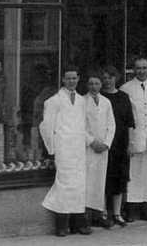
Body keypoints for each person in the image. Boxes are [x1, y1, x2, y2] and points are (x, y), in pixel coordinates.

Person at [39, 66, 93, 237]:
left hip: (78, 148)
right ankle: (61, 225)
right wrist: (52, 149)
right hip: (63, 148)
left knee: (79, 185)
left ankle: (79, 223)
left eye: (74, 78)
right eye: (68, 78)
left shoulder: (81, 100)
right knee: (64, 184)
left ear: (78, 79)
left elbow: (83, 126)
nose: (71, 81)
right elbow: (46, 127)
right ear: (62, 80)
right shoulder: (54, 101)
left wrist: (89, 141)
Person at [119, 57, 147, 222]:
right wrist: (127, 141)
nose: (142, 71)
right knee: (133, 174)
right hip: (135, 137)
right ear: (133, 70)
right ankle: (131, 210)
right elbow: (125, 117)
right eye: (138, 68)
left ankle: (146, 209)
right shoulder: (126, 88)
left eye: (144, 68)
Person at [100, 65, 135, 227]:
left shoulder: (124, 97)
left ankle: (117, 213)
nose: (107, 81)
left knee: (120, 178)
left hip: (121, 142)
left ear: (116, 78)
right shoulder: (99, 97)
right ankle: (104, 212)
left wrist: (130, 144)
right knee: (105, 178)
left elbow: (129, 122)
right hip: (106, 142)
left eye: (110, 77)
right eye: (105, 78)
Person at [84, 71, 115, 228]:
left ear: (101, 85)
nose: (94, 86)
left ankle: (99, 214)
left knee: (100, 180)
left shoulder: (106, 102)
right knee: (88, 181)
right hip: (89, 149)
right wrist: (91, 142)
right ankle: (86, 216)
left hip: (103, 149)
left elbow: (111, 125)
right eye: (91, 84)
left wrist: (106, 143)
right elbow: (80, 126)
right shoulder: (82, 102)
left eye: (97, 83)